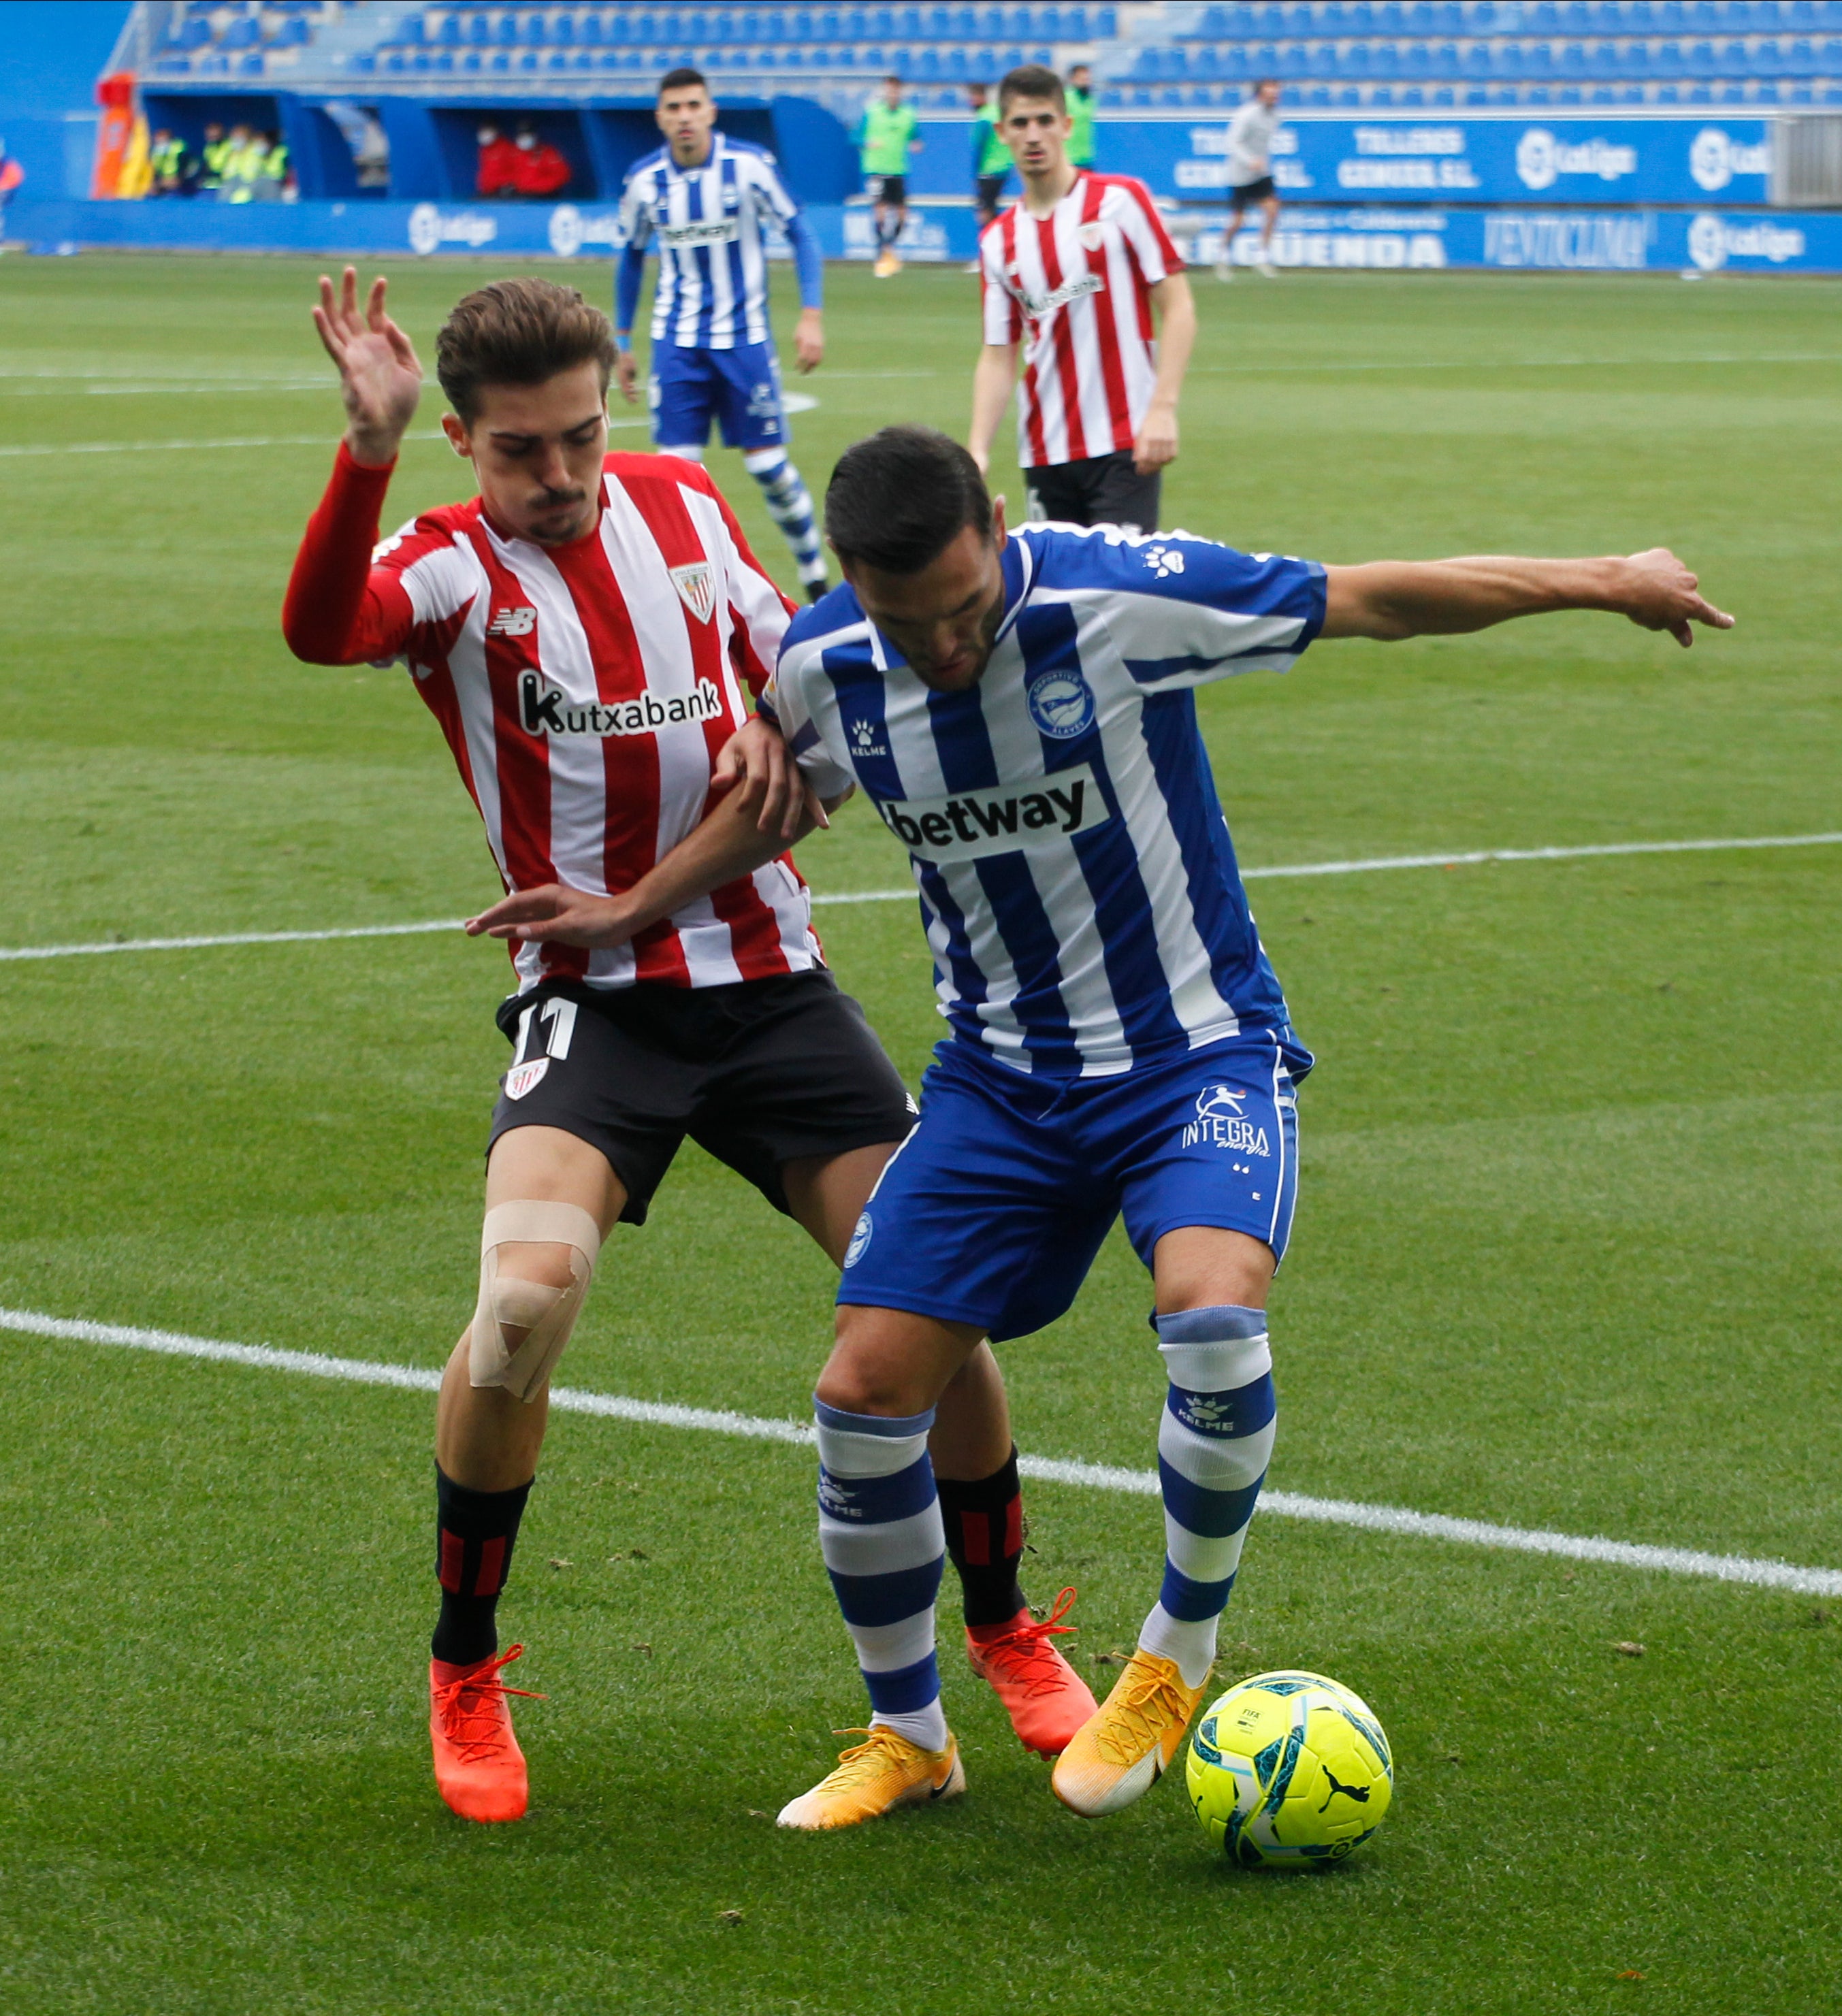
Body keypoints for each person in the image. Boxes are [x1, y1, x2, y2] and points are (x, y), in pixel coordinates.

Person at [479, 425, 1733, 1831]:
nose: (945, 645)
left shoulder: (1116, 600)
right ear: (847, 582)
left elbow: (1374, 595)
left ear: (1000, 525)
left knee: (1211, 1309)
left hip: (1192, 1051)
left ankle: (1170, 1659)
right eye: (911, 620)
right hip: (998, 1082)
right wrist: (632, 907)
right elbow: (782, 803)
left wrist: (1610, 576)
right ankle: (910, 1735)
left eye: (964, 606)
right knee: (863, 1388)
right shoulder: (824, 663)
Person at [282, 275, 1092, 1827]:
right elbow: (325, 630)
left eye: (582, 435)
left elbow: (795, 653)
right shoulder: (446, 565)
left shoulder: (678, 497)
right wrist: (363, 455)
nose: (563, 475)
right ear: (461, 439)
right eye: (520, 451)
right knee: (522, 1303)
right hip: (595, 995)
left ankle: (998, 1628)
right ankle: (463, 1663)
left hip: (773, 984)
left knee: (936, 1301)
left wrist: (774, 726)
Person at [617, 67, 830, 602]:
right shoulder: (645, 181)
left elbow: (800, 233)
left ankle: (816, 578)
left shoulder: (749, 167)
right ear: (660, 118)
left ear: (711, 111)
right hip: (677, 343)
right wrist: (622, 339)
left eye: (694, 106)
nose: (685, 117)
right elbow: (631, 257)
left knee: (769, 468)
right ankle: (694, 598)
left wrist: (811, 314)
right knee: (677, 480)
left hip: (744, 340)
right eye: (674, 108)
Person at [969, 64, 1196, 538]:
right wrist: (977, 450)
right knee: (1059, 605)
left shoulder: (1122, 201)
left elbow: (1178, 307)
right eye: (1020, 123)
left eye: (1046, 121)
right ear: (1001, 133)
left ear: (1067, 126)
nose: (1034, 135)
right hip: (1044, 450)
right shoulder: (997, 240)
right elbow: (998, 353)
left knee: (1121, 597)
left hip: (1125, 443)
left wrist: (1163, 408)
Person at [1216, 79, 1283, 280]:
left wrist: (1261, 163)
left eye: (1276, 94)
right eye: (1269, 94)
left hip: (1260, 173)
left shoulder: (1275, 116)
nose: (1274, 98)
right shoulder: (1246, 115)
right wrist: (1249, 160)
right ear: (1259, 95)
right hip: (1240, 174)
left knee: (1272, 210)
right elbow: (1232, 141)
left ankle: (1262, 256)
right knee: (1238, 221)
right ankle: (1223, 256)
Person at [856, 74, 920, 278]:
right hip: (876, 168)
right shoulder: (872, 112)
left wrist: (916, 143)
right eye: (889, 90)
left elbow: (915, 136)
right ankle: (882, 254)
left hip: (899, 169)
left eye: (896, 91)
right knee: (881, 211)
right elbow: (854, 135)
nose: (892, 94)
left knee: (902, 215)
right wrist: (866, 143)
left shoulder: (908, 114)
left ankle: (889, 248)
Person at [968, 82, 1011, 235]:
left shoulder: (983, 118)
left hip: (989, 169)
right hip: (1004, 168)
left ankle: (989, 247)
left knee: (983, 212)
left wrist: (976, 173)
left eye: (974, 98)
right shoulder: (996, 112)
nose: (971, 101)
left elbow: (979, 146)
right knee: (991, 208)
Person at [511, 120, 571, 199]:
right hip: (520, 196)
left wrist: (541, 186)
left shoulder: (548, 152)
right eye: (522, 135)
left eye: (528, 135)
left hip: (544, 196)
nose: (525, 138)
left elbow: (563, 175)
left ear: (535, 136)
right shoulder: (513, 152)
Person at [474, 123, 520, 199]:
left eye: (488, 131)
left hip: (503, 191)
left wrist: (510, 185)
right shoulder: (483, 150)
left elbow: (518, 169)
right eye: (483, 131)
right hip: (486, 190)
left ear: (496, 132)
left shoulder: (507, 148)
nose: (485, 135)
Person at [1065, 62, 1097, 167]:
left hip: (1086, 156)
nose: (1085, 81)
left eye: (1087, 79)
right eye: (1081, 79)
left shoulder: (1090, 99)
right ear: (1073, 79)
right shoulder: (1064, 98)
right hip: (1069, 157)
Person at [148, 128, 190, 197]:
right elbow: (155, 170)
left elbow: (187, 166)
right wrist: (157, 182)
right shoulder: (155, 152)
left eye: (163, 137)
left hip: (178, 182)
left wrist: (179, 178)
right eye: (158, 138)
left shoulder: (179, 148)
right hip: (163, 182)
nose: (160, 140)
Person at [198, 121, 230, 195]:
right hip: (211, 183)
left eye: (215, 132)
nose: (212, 135)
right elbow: (206, 165)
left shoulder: (229, 145)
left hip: (226, 182)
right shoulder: (209, 147)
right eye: (210, 133)